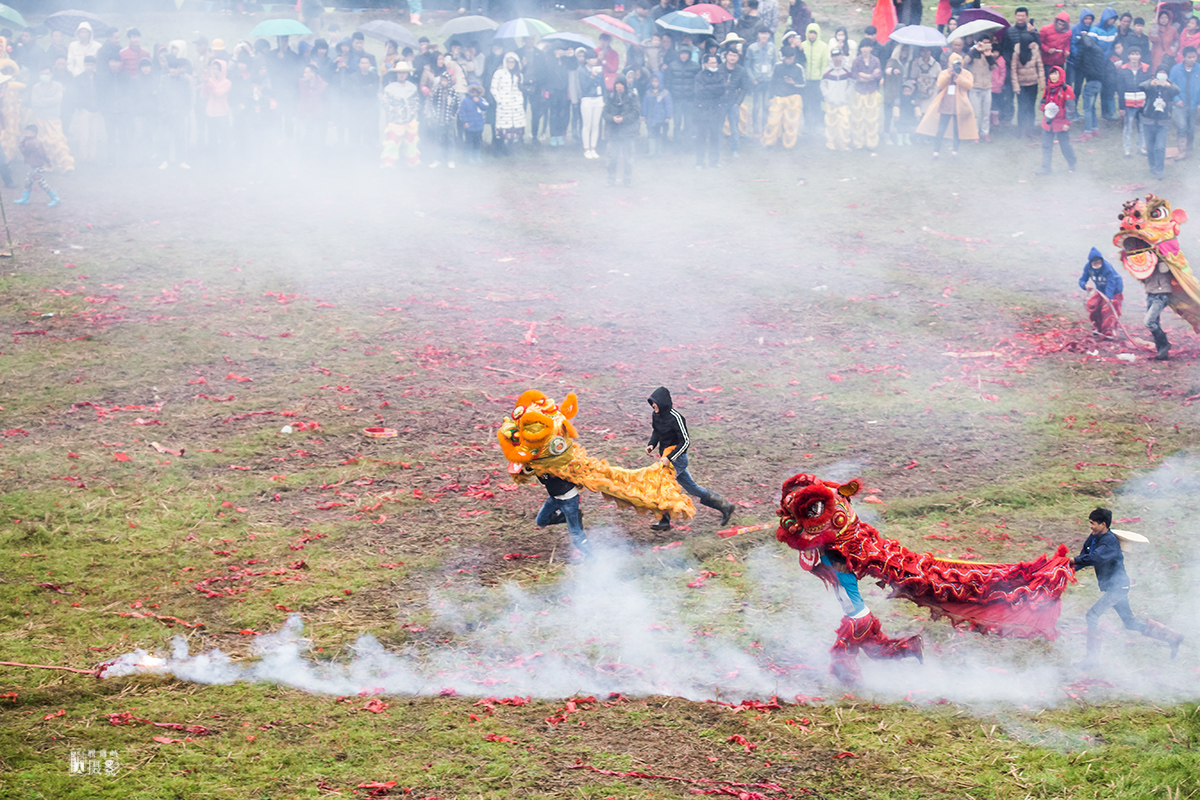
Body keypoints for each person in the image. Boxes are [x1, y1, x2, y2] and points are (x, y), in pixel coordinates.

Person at [1071, 508, 1183, 670]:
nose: (1091, 527)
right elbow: (1083, 559)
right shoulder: (1093, 538)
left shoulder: (1109, 542)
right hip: (1115, 586)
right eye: (1090, 523)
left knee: (1092, 615)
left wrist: (1070, 560)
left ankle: (1092, 659)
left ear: (1103, 524)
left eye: (1093, 524)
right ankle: (1172, 636)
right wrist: (1063, 571)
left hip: (1117, 587)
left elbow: (1094, 558)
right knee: (1130, 622)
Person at [822, 547, 923, 685]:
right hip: (866, 617)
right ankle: (911, 646)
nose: (832, 567)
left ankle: (852, 682)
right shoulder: (847, 574)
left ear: (840, 565)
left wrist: (819, 544)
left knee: (841, 652)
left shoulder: (843, 576)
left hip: (856, 621)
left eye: (834, 564)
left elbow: (825, 563)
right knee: (877, 650)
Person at [644, 387, 735, 531]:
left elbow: (685, 442)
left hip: (678, 459)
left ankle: (664, 520)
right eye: (652, 403)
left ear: (662, 402)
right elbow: (657, 431)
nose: (653, 405)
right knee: (692, 488)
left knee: (662, 486)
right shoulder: (656, 415)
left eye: (654, 403)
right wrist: (651, 444)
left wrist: (670, 457)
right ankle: (725, 506)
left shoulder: (676, 418)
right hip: (666, 458)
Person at [918, 51, 975, 158]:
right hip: (946, 102)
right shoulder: (945, 72)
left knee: (957, 128)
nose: (957, 66)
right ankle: (936, 151)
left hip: (960, 104)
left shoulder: (966, 73)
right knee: (941, 128)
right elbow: (939, 84)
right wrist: (949, 74)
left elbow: (969, 85)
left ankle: (955, 151)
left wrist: (958, 76)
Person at [30, 66, 74, 173]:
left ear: (51, 74)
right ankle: (45, 165)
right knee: (41, 143)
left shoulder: (58, 86)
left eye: (47, 74)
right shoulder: (35, 87)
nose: (45, 76)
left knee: (58, 141)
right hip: (39, 119)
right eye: (42, 74)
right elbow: (34, 102)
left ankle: (66, 165)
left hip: (53, 118)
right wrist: (47, 102)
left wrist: (42, 101)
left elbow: (57, 100)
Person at [1140, 66, 1179, 182]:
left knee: (1160, 147)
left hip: (1163, 121)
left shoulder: (1169, 86)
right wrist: (1150, 84)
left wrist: (1169, 85)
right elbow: (1141, 86)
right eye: (1160, 73)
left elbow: (1177, 90)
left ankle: (1159, 170)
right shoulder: (1151, 84)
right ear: (1156, 74)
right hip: (1148, 120)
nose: (1162, 75)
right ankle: (1152, 166)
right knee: (1150, 147)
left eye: (1164, 73)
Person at [1037, 66, 1077, 174]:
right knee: (1046, 145)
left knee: (1065, 145)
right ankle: (1045, 168)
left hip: (1061, 122)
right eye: (1052, 74)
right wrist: (1044, 108)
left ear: (1061, 75)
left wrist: (1067, 123)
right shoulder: (1048, 87)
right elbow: (1042, 102)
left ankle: (1072, 163)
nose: (1053, 76)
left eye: (1056, 74)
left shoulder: (1066, 89)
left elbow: (1071, 108)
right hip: (1048, 121)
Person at [763, 45, 803, 148]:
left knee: (791, 122)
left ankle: (789, 143)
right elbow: (772, 82)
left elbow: (803, 84)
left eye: (790, 58)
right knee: (773, 120)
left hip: (792, 98)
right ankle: (769, 142)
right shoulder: (778, 66)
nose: (788, 60)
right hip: (778, 98)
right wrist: (770, 97)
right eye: (786, 58)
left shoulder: (799, 68)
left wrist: (794, 83)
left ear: (794, 57)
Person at [1010, 19, 1045, 137]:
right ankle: (1021, 129)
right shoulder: (1016, 54)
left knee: (1031, 107)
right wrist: (1015, 86)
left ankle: (1030, 129)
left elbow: (1040, 67)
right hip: (1021, 85)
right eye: (1030, 42)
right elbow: (1013, 70)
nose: (1032, 44)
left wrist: (1042, 83)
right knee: (1021, 107)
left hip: (1032, 84)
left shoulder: (1035, 52)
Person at [381, 64, 420, 167]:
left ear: (407, 74)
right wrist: (394, 113)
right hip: (395, 122)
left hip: (410, 121)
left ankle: (413, 163)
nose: (402, 75)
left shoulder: (412, 88)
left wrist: (411, 113)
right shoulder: (389, 88)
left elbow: (416, 102)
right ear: (396, 74)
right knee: (391, 144)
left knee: (411, 144)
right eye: (400, 73)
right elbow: (385, 103)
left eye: (404, 73)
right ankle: (388, 164)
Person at [1079, 247, 1124, 338]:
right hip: (1101, 289)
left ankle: (1110, 330)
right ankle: (1097, 327)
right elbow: (1082, 279)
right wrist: (1085, 285)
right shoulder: (1088, 268)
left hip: (1114, 290)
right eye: (1094, 262)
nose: (1097, 264)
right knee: (1095, 307)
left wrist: (1109, 296)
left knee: (1108, 310)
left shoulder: (1107, 268)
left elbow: (1111, 283)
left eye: (1099, 262)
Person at [603, 75, 639, 186]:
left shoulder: (632, 97)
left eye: (620, 87)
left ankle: (627, 180)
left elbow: (636, 112)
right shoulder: (610, 97)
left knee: (628, 158)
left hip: (628, 132)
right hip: (614, 132)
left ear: (625, 86)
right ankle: (610, 180)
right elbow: (605, 113)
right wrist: (612, 119)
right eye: (617, 87)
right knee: (612, 157)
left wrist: (624, 119)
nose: (618, 89)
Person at [14, 125, 59, 207]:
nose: (25, 134)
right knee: (28, 182)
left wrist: (21, 143)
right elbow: (44, 153)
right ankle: (24, 199)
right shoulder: (34, 141)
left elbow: (25, 152)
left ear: (33, 133)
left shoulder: (33, 142)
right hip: (34, 166)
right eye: (25, 132)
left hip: (37, 167)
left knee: (42, 183)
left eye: (27, 132)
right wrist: (48, 162)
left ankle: (55, 198)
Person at [694, 52, 726, 167]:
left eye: (715, 63)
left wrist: (707, 87)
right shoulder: (699, 76)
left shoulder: (720, 75)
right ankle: (699, 162)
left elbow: (722, 89)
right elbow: (699, 92)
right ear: (706, 64)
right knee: (701, 138)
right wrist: (713, 89)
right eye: (712, 63)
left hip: (715, 110)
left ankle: (714, 162)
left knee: (715, 138)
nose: (714, 65)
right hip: (702, 111)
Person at [849, 38, 882, 150]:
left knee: (871, 119)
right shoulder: (856, 61)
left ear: (871, 48)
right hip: (860, 93)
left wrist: (866, 76)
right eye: (863, 47)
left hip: (871, 92)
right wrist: (865, 76)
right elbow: (854, 75)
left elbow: (878, 75)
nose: (865, 49)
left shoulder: (876, 60)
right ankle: (859, 142)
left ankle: (871, 142)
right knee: (858, 118)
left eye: (867, 46)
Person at [744, 28, 776, 137]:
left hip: (768, 81)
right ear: (758, 34)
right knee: (756, 106)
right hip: (756, 81)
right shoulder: (752, 48)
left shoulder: (772, 47)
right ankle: (756, 129)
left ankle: (765, 127)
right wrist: (752, 78)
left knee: (766, 105)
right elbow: (747, 65)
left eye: (766, 33)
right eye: (762, 33)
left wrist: (772, 76)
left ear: (769, 35)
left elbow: (774, 63)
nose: (764, 36)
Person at [490, 52, 524, 156]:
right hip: (503, 106)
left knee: (514, 129)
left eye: (512, 62)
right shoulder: (499, 73)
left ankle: (511, 150)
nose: (510, 64)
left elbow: (520, 90)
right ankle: (499, 150)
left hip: (516, 106)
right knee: (501, 129)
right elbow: (493, 88)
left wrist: (519, 101)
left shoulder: (519, 75)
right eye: (508, 61)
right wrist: (500, 100)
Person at [1118, 45, 1149, 157]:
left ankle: (1141, 147)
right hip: (1129, 104)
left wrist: (1147, 103)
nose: (1135, 57)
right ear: (1128, 56)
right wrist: (1121, 106)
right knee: (1128, 127)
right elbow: (1120, 90)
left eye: (1137, 54)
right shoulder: (1123, 70)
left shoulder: (1145, 69)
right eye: (1132, 54)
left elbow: (1147, 87)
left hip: (1142, 103)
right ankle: (1127, 149)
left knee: (1142, 127)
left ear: (1140, 56)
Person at [1169, 47, 1200, 158]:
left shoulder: (1199, 69)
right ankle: (1181, 150)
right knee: (1182, 126)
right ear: (1184, 57)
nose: (1192, 59)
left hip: (1194, 105)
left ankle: (1189, 149)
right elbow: (1170, 87)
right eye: (1189, 57)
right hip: (1180, 104)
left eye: (1194, 57)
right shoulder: (1176, 69)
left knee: (1191, 127)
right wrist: (1177, 99)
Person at [821, 47, 853, 150]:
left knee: (845, 124)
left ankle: (844, 144)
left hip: (843, 102)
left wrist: (847, 94)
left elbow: (851, 83)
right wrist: (827, 95)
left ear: (841, 55)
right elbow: (823, 84)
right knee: (831, 125)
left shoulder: (847, 69)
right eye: (834, 56)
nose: (836, 58)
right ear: (831, 57)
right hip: (831, 103)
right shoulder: (827, 70)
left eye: (838, 55)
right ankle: (831, 143)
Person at [799, 23, 829, 132]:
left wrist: (822, 78)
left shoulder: (823, 46)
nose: (812, 35)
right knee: (806, 103)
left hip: (817, 81)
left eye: (814, 33)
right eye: (810, 33)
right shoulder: (802, 45)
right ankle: (807, 124)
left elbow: (824, 64)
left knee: (817, 103)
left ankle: (817, 123)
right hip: (806, 81)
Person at [721, 48, 751, 158]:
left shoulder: (741, 70)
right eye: (730, 55)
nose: (732, 58)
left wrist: (738, 102)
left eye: (735, 56)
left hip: (733, 102)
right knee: (718, 126)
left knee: (734, 127)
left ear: (737, 58)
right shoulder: (719, 68)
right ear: (726, 56)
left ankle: (734, 149)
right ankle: (718, 148)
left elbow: (744, 88)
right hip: (721, 102)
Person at [966, 36, 997, 141]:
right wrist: (975, 49)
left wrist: (989, 56)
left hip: (987, 87)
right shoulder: (973, 52)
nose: (986, 45)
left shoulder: (989, 55)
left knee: (986, 113)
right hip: (975, 87)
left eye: (988, 43)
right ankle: (974, 134)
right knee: (975, 113)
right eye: (984, 43)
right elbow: (965, 62)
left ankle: (984, 133)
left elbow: (994, 67)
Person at [578, 56, 605, 159]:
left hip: (598, 98)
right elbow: (584, 87)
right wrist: (592, 76)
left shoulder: (599, 70)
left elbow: (603, 85)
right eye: (592, 58)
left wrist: (604, 98)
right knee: (587, 125)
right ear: (587, 60)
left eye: (595, 58)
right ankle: (586, 149)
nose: (594, 60)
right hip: (587, 99)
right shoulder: (582, 71)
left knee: (596, 124)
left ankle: (593, 148)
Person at [642, 70, 673, 156]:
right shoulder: (648, 93)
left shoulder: (665, 93)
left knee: (659, 135)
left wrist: (668, 116)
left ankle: (659, 151)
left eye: (656, 81)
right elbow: (645, 104)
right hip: (650, 118)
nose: (654, 83)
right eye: (653, 81)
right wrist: (643, 114)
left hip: (661, 118)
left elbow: (668, 105)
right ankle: (652, 151)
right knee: (651, 134)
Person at [459, 81, 488, 163]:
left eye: (476, 91)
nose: (474, 93)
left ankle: (477, 157)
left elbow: (485, 107)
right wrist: (465, 122)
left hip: (478, 126)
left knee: (477, 142)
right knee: (468, 142)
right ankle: (468, 157)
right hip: (469, 126)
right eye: (473, 90)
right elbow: (462, 112)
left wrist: (478, 101)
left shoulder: (482, 100)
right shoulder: (465, 101)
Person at [1040, 12, 1072, 81]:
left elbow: (1067, 44)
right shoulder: (1045, 29)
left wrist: (1067, 51)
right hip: (1047, 62)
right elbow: (1039, 42)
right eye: (1059, 24)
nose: (1060, 26)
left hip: (1060, 61)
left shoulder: (1068, 32)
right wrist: (1047, 49)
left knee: (1060, 82)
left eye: (1063, 25)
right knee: (1049, 82)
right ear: (1056, 22)